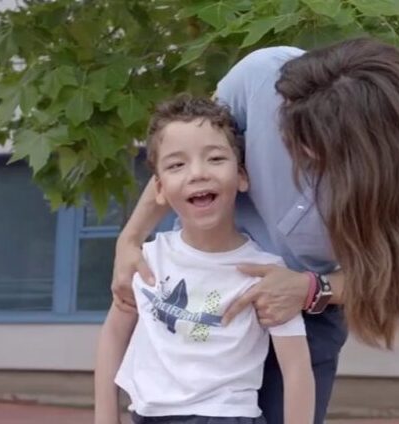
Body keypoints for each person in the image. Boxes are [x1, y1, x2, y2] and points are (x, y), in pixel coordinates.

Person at [111, 38, 399, 424]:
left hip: (304, 313)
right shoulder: (262, 76)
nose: (300, 151)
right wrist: (131, 238)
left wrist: (311, 288)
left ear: (377, 150)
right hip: (203, 294)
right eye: (292, 131)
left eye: (318, 145)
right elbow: (188, 152)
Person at [94, 95, 315, 424]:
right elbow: (113, 336)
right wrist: (104, 417)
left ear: (241, 176)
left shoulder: (266, 274)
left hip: (225, 416)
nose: (197, 173)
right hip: (146, 415)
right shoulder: (147, 260)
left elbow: (297, 369)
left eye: (214, 158)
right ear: (159, 188)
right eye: (176, 165)